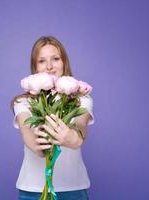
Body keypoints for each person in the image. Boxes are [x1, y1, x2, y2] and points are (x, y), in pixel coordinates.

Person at [11, 36, 95, 200]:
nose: (49, 66)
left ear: (64, 62)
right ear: (35, 67)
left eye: (55, 59)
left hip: (73, 188)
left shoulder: (82, 99)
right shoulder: (23, 101)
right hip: (33, 190)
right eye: (42, 61)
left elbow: (81, 125)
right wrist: (38, 146)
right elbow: (25, 128)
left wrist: (74, 138)